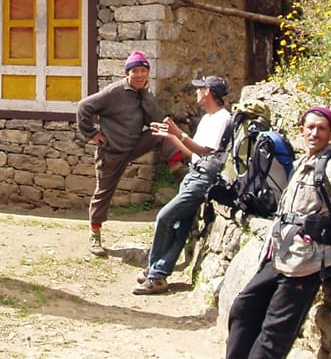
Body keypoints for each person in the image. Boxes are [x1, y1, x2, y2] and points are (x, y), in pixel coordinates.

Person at [225, 106, 331, 359]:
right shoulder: (302, 164)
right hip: (278, 255)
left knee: (274, 333)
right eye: (310, 127)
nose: (314, 133)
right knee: (243, 308)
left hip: (306, 261)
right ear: (301, 131)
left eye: (321, 129)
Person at [77, 50, 185, 256]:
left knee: (161, 132)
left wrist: (145, 95)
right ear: (127, 73)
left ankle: (176, 166)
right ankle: (95, 235)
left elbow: (156, 119)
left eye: (143, 71)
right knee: (103, 192)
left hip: (135, 145)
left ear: (148, 73)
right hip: (112, 151)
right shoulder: (114, 92)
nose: (139, 75)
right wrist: (91, 133)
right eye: (134, 71)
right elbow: (84, 107)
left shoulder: (145, 94)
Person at [133, 75, 232, 295]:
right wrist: (171, 136)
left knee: (165, 217)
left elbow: (205, 151)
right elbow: (192, 153)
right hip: (194, 174)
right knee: (180, 228)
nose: (197, 92)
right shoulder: (207, 119)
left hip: (202, 180)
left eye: (200, 89)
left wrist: (178, 133)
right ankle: (158, 273)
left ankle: (155, 271)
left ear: (208, 92)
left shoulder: (223, 118)